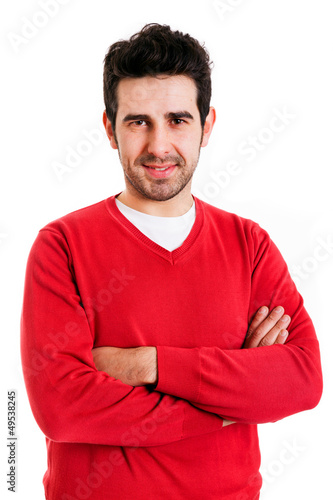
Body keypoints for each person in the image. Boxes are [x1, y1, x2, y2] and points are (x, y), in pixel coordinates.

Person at [21, 23, 323, 500]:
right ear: (109, 128)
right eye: (138, 121)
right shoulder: (61, 245)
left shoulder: (250, 244)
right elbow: (61, 407)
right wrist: (229, 400)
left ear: (207, 126)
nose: (159, 147)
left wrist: (148, 365)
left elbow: (301, 380)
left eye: (178, 120)